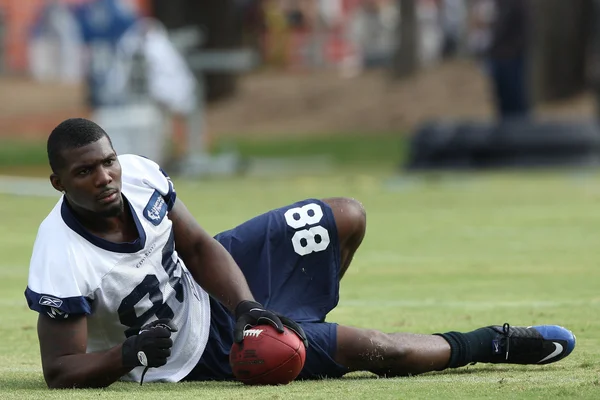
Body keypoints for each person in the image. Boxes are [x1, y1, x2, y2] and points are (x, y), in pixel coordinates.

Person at [25, 118, 576, 389]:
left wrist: (243, 306)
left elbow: (195, 244)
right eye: (84, 171)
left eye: (107, 162)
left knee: (346, 215)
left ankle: (298, 323)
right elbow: (59, 370)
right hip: (191, 350)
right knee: (379, 350)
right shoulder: (60, 254)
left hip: (211, 288)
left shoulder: (141, 175)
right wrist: (129, 355)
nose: (104, 178)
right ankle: (494, 343)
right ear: (58, 182)